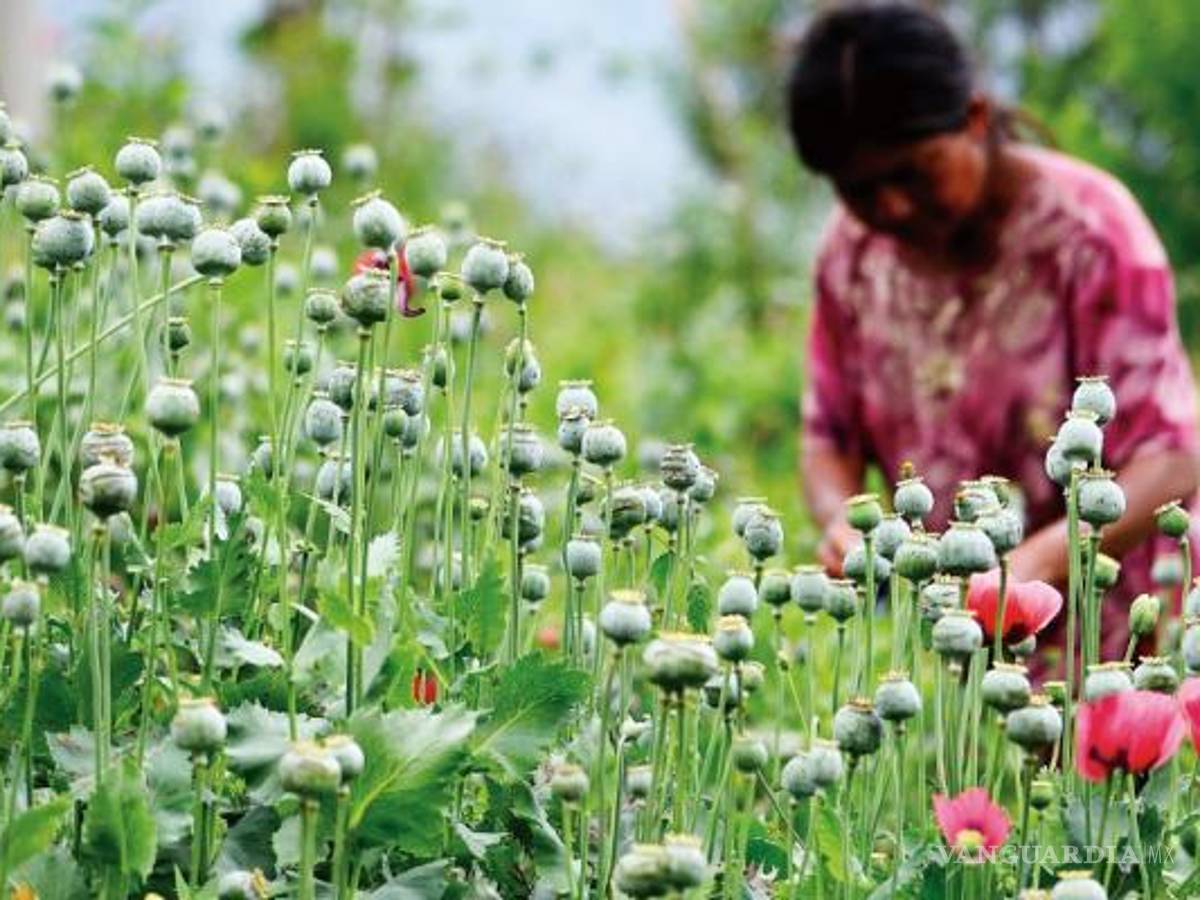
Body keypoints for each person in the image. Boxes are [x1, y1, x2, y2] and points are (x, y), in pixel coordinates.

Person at [786, 1, 1200, 661]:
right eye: (859, 189)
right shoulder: (852, 255)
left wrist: (1032, 570)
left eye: (912, 173)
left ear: (975, 119)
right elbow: (826, 438)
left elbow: (1174, 458)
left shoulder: (1090, 234)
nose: (889, 206)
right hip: (960, 650)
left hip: (1130, 635)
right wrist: (843, 519)